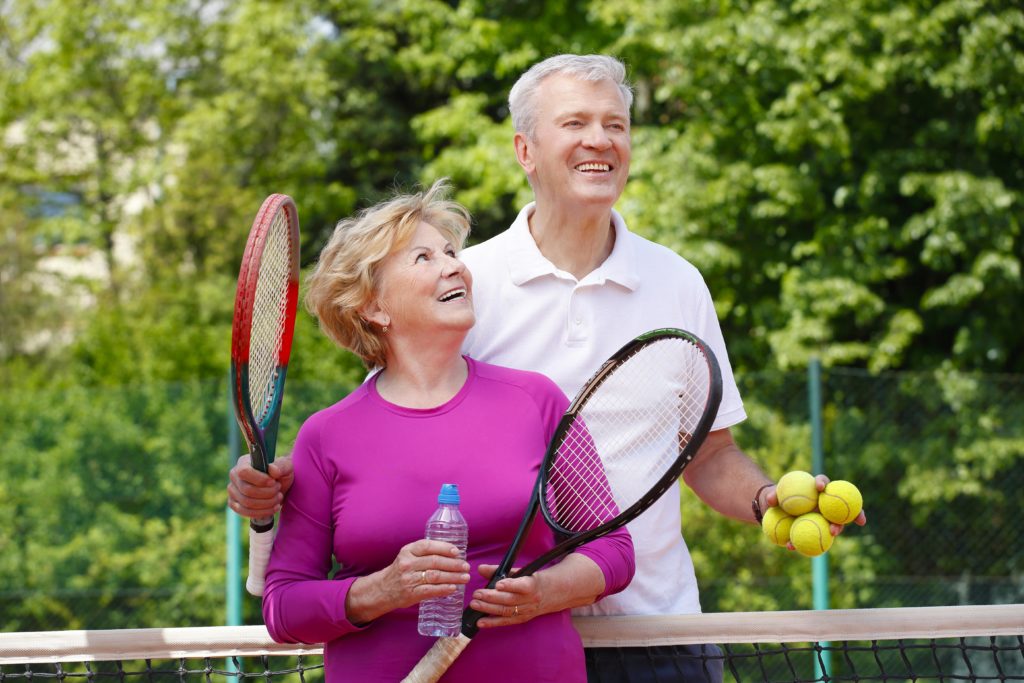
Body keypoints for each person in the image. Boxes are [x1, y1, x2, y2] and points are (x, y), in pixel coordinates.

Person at [231, 54, 866, 682]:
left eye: (615, 124)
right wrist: (281, 488)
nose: (600, 140)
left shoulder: (677, 283)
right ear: (525, 150)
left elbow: (707, 453)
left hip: (658, 630)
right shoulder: (467, 286)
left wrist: (764, 500)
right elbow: (397, 434)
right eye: (576, 123)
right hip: (506, 642)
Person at [259, 181, 635, 683]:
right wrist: (380, 590)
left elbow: (613, 550)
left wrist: (544, 592)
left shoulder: (537, 401)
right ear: (373, 307)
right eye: (422, 258)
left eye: (452, 252)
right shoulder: (326, 435)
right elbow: (282, 605)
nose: (454, 265)